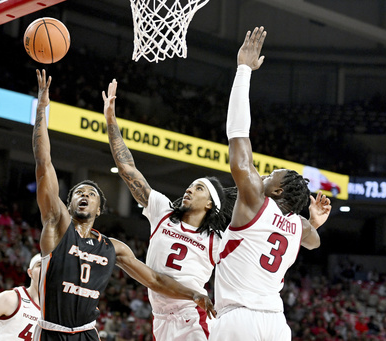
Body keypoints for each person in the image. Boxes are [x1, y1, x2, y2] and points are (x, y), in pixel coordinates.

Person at [32, 69, 215, 341]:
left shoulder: (113, 248)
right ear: (68, 204)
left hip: (86, 334)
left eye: (91, 194)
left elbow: (155, 280)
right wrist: (42, 110)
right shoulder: (57, 225)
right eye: (78, 192)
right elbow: (44, 164)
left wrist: (194, 294)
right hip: (51, 332)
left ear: (99, 209)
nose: (84, 195)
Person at [208, 26, 332, 341]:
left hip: (239, 321)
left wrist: (243, 71)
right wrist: (313, 224)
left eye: (269, 176)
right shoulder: (298, 228)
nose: (261, 176)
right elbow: (313, 241)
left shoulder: (254, 204)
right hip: (276, 325)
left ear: (276, 191)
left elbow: (238, 137)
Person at [102, 81, 236, 340]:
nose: (188, 190)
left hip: (191, 316)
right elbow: (128, 170)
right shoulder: (163, 211)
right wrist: (111, 121)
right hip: (160, 319)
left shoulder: (216, 241)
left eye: (198, 189)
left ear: (211, 204)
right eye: (189, 186)